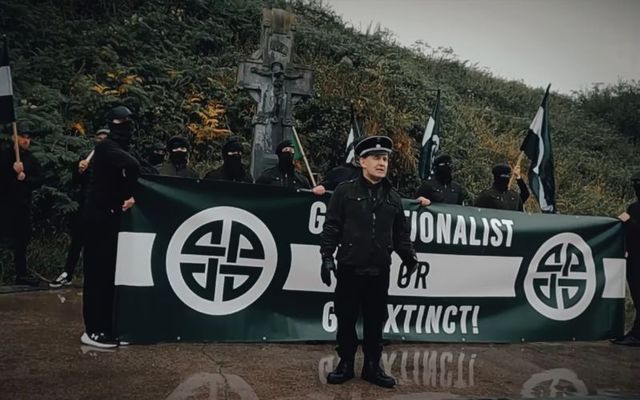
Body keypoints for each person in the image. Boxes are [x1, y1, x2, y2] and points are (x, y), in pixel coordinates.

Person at [319, 135, 418, 388]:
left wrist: (409, 258)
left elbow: (400, 234)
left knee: (375, 320)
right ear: (362, 161)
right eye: (376, 158)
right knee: (346, 318)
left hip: (379, 269)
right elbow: (332, 226)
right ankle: (346, 364)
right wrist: (327, 257)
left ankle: (372, 367)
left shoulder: (394, 197)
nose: (382, 163)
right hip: (350, 267)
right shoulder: (344, 192)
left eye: (385, 159)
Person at [81, 105, 140, 349]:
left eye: (126, 120)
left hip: (111, 216)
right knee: (97, 275)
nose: (123, 125)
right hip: (98, 217)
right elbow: (133, 166)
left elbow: (138, 168)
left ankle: (107, 326)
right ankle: (93, 330)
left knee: (109, 276)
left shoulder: (118, 148)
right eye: (118, 121)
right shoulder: (105, 147)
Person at [50, 128, 109, 288]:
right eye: (99, 138)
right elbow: (75, 182)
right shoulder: (87, 160)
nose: (101, 141)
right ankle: (67, 273)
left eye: (105, 138)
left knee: (100, 245)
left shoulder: (113, 160)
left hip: (104, 209)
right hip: (85, 207)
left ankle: (97, 278)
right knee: (77, 241)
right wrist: (79, 170)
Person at [0, 124, 44, 286]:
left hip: (22, 206)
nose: (26, 140)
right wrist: (11, 171)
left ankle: (21, 274)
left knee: (21, 240)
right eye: (23, 137)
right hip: (4, 205)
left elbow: (39, 179)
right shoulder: (4, 156)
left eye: (28, 137)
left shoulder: (31, 159)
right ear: (14, 138)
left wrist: (25, 178)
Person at [612, 171, 640, 346]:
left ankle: (636, 334)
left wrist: (629, 222)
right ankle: (636, 332)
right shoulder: (634, 207)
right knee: (636, 296)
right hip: (633, 258)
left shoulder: (633, 210)